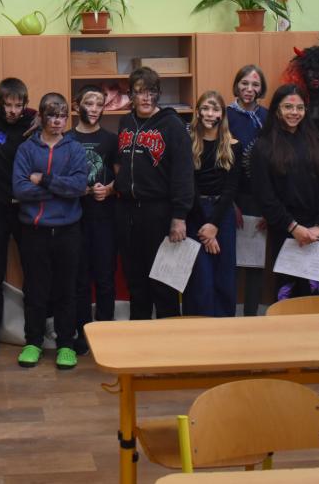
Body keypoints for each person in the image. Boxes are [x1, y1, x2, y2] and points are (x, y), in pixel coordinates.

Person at [13, 93, 88, 369]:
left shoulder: (75, 149)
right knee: (35, 289)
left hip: (68, 231)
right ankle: (33, 342)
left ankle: (65, 344)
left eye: (62, 116)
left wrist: (43, 180)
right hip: (34, 231)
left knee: (66, 290)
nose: (57, 121)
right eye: (52, 115)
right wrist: (59, 189)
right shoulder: (26, 149)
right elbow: (20, 189)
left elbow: (78, 187)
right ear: (42, 117)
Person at [114, 66, 193, 319]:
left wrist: (179, 216)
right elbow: (120, 162)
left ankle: (168, 339)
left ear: (158, 94)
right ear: (131, 95)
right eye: (140, 92)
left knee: (163, 283)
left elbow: (183, 173)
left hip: (159, 212)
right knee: (136, 282)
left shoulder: (173, 125)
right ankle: (139, 337)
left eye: (151, 92)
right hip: (128, 212)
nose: (146, 98)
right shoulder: (126, 122)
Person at [249, 84, 319, 300]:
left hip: (316, 232)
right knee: (287, 294)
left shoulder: (316, 142)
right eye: (288, 107)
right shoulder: (263, 146)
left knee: (314, 294)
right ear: (277, 110)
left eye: (299, 107)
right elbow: (265, 196)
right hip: (285, 231)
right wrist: (294, 227)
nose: (294, 112)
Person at [0, 77, 37, 358]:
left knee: (33, 269)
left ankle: (36, 330)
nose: (13, 111)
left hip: (25, 208)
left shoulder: (33, 122)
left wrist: (39, 116)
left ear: (25, 105)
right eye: (8, 105)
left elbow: (50, 111)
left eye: (18, 105)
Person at [68, 84, 117, 350]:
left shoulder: (111, 139)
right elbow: (59, 177)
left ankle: (106, 331)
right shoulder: (67, 139)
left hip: (104, 218)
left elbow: (122, 176)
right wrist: (79, 189)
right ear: (77, 105)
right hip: (74, 219)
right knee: (79, 278)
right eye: (89, 103)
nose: (95, 109)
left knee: (105, 276)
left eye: (100, 104)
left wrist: (109, 189)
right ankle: (82, 332)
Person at [184, 91, 241, 317]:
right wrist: (205, 226)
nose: (210, 113)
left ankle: (224, 326)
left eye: (215, 109)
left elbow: (231, 188)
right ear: (198, 112)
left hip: (222, 214)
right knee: (201, 278)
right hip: (195, 213)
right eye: (205, 108)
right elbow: (189, 185)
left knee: (224, 275)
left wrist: (214, 225)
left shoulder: (233, 145)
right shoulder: (187, 143)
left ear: (222, 114)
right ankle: (198, 326)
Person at [227, 65, 270, 316]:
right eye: (244, 83)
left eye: (255, 84)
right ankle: (228, 316)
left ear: (261, 88)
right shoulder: (225, 115)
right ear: (237, 85)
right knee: (229, 263)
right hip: (231, 197)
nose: (249, 89)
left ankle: (252, 316)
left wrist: (269, 207)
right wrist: (230, 203)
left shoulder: (268, 117)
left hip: (259, 199)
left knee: (254, 263)